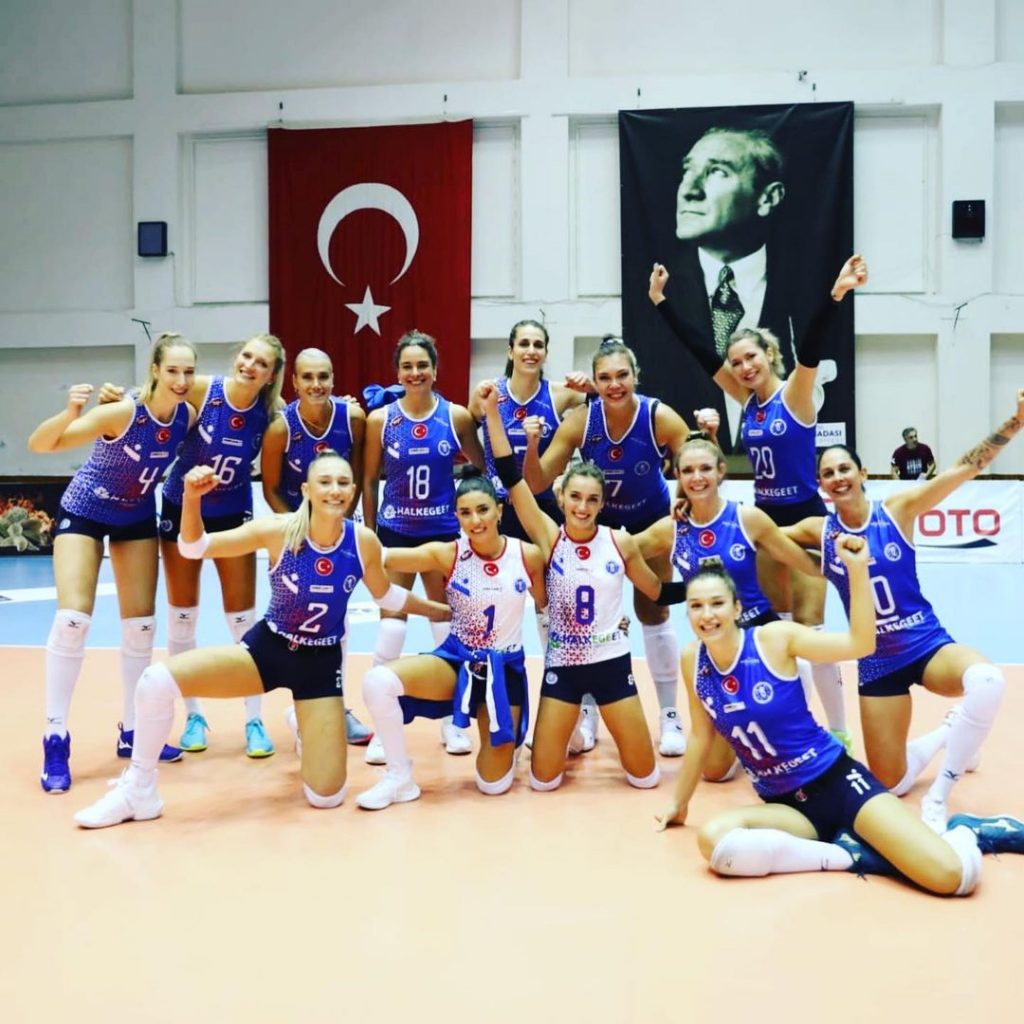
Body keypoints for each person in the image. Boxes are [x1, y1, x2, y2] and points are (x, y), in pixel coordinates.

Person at [73, 451, 451, 828]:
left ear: (353, 491)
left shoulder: (362, 541)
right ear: (306, 490)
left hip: (321, 666)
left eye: (342, 483)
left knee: (326, 797)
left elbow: (387, 596)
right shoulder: (278, 531)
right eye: (324, 482)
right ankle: (139, 790)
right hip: (269, 651)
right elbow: (193, 547)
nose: (334, 490)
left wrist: (440, 611)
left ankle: (303, 723)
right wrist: (191, 498)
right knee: (156, 682)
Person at [653, 551, 1003, 897]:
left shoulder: (773, 639)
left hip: (836, 782)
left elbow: (860, 644)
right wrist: (679, 803)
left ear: (736, 608)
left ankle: (966, 831)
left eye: (717, 603)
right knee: (714, 841)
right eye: (696, 606)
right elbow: (700, 736)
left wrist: (857, 571)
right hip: (785, 804)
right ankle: (847, 856)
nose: (707, 614)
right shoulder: (693, 659)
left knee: (952, 878)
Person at [649, 255, 869, 749]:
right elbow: (701, 351)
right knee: (778, 631)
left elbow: (811, 348)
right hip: (765, 523)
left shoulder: (797, 395)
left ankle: (839, 731)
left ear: (769, 354)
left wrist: (836, 294)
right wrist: (662, 304)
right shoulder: (746, 400)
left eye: (751, 357)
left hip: (806, 519)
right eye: (737, 363)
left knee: (811, 632)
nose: (744, 367)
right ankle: (794, 726)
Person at [785, 391, 1024, 832]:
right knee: (891, 783)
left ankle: (940, 796)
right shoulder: (817, 531)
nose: (837, 477)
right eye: (828, 473)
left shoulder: (898, 511)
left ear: (862, 473)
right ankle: (950, 733)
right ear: (820, 484)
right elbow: (756, 534)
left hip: (925, 644)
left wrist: (1015, 422)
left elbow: (965, 467)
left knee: (987, 681)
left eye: (844, 468)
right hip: (876, 662)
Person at [482, 382, 684, 793]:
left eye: (592, 500)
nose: (582, 507)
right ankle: (579, 723)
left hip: (613, 665)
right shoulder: (549, 537)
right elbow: (510, 475)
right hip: (564, 668)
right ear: (561, 497)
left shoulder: (620, 542)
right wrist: (490, 414)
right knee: (542, 781)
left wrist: (706, 587)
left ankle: (650, 719)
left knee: (645, 779)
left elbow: (659, 593)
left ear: (602, 503)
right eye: (575, 497)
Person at [28, 333, 199, 792]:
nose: (181, 379)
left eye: (188, 371)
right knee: (72, 621)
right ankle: (55, 737)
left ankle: (132, 731)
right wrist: (71, 412)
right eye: (172, 370)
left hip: (136, 516)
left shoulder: (187, 416)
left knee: (141, 627)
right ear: (155, 370)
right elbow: (41, 444)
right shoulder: (122, 411)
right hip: (85, 510)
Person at [521, 338, 698, 757]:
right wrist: (531, 444)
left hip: (648, 523)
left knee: (653, 610)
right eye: (605, 378)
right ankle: (586, 714)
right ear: (594, 383)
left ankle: (669, 715)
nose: (614, 384)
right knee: (586, 619)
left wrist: (684, 495)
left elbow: (697, 465)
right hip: (596, 526)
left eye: (622, 376)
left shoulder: (659, 417)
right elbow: (538, 481)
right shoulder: (582, 421)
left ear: (636, 376)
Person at [355, 470, 547, 810]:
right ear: (456, 516)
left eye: (483, 509)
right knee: (378, 681)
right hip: (458, 660)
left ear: (499, 510)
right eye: (465, 513)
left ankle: (509, 743)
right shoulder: (448, 554)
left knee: (494, 785)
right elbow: (381, 556)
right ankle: (399, 777)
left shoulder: (527, 555)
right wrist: (332, 533)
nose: (476, 520)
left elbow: (548, 607)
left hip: (504, 670)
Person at [634, 434, 832, 755]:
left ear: (721, 471)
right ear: (678, 475)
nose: (697, 477)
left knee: (800, 672)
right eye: (688, 471)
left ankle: (802, 731)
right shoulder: (671, 529)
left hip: (759, 633)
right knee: (716, 773)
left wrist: (853, 566)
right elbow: (620, 551)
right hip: (716, 646)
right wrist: (655, 589)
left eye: (705, 468)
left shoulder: (747, 518)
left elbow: (803, 562)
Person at [156, 334, 287, 758]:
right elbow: (150, 399)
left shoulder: (272, 414)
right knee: (182, 618)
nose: (250, 365)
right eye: (247, 356)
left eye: (261, 363)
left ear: (271, 376)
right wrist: (113, 398)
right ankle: (193, 715)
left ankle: (254, 719)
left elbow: (307, 421)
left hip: (233, 515)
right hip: (182, 509)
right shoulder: (202, 389)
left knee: (243, 621)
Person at [362, 330, 486, 758]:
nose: (415, 373)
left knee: (446, 625)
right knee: (391, 626)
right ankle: (383, 728)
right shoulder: (381, 420)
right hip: (395, 532)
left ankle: (454, 722)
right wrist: (371, 535)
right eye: (407, 366)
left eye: (422, 365)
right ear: (397, 373)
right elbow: (368, 480)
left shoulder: (456, 417)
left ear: (435, 370)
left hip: (441, 533)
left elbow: (482, 467)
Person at [260, 346, 372, 745]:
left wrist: (338, 524)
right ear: (294, 382)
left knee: (336, 621)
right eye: (307, 377)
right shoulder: (280, 429)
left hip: (337, 535)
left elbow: (356, 476)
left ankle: (334, 706)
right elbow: (270, 487)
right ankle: (302, 708)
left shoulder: (353, 418)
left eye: (323, 376)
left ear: (333, 379)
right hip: (294, 538)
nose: (316, 384)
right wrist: (298, 528)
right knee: (295, 624)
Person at [470, 319, 589, 540]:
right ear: (510, 351)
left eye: (538, 345)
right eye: (524, 344)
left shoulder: (561, 393)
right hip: (499, 505)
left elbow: (607, 402)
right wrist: (484, 466)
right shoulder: (487, 392)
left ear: (546, 354)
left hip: (542, 504)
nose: (531, 351)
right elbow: (466, 432)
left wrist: (590, 386)